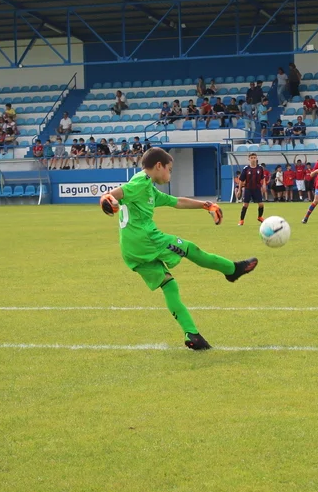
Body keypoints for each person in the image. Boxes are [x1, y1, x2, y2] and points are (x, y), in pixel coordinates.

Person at [99, 147, 257, 350]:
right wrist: (107, 199)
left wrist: (206, 205)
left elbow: (176, 202)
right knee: (190, 249)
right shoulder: (141, 182)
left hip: (131, 249)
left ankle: (192, 334)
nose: (170, 174)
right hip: (146, 241)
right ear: (159, 166)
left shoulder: (148, 189)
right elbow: (114, 194)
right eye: (170, 169)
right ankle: (232, 270)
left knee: (169, 285)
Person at [236, 152, 266, 226]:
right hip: (248, 189)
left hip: (257, 189)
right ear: (249, 159)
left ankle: (260, 217)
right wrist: (239, 190)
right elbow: (241, 180)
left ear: (256, 158)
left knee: (261, 204)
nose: (253, 159)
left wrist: (264, 185)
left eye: (254, 158)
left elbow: (263, 178)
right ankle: (241, 220)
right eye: (251, 158)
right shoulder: (246, 169)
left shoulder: (260, 168)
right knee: (245, 205)